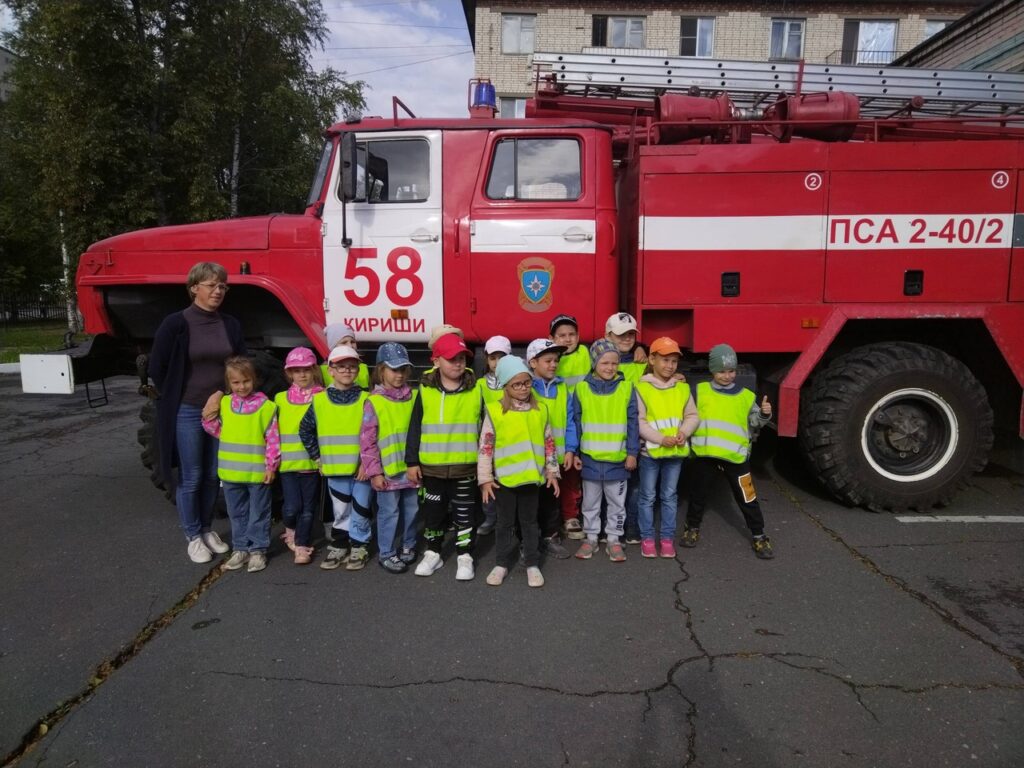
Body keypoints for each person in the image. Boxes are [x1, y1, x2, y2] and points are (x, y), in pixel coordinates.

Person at [149, 262, 246, 563]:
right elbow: (158, 368)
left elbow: (241, 365)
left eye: (222, 286)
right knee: (191, 476)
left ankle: (206, 529)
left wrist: (220, 395)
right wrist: (179, 398)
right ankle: (192, 536)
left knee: (213, 474)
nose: (218, 291)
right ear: (194, 288)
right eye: (211, 285)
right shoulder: (176, 324)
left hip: (221, 409)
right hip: (187, 410)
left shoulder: (230, 324)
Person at [682, 343, 775, 559]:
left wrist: (764, 414)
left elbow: (755, 422)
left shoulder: (746, 396)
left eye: (731, 371)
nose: (727, 376)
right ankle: (692, 527)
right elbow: (688, 416)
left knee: (747, 497)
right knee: (698, 494)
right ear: (712, 370)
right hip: (705, 455)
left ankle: (759, 535)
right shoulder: (699, 391)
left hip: (736, 457)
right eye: (722, 371)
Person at [478, 356, 560, 588]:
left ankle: (532, 563)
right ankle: (501, 563)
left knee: (530, 523)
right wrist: (485, 479)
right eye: (517, 384)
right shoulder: (495, 411)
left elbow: (549, 444)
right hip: (504, 481)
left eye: (527, 382)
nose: (523, 388)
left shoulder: (540, 409)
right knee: (504, 524)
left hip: (531, 479)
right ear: (505, 385)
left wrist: (552, 472)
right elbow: (486, 447)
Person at [406, 333, 481, 580]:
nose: (458, 363)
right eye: (451, 359)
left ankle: (465, 556)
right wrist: (412, 461)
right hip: (432, 468)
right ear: (436, 361)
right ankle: (433, 553)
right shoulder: (425, 390)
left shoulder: (477, 389)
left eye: (462, 358)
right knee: (433, 515)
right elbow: (415, 427)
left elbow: (486, 430)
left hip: (465, 468)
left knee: (465, 515)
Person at [201, 356, 279, 573]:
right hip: (231, 473)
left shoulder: (266, 407)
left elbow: (273, 440)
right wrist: (208, 417)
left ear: (254, 380)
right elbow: (217, 430)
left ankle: (258, 550)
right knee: (237, 514)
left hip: (257, 473)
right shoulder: (225, 404)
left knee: (259, 513)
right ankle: (241, 548)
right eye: (236, 382)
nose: (242, 386)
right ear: (229, 383)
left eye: (246, 381)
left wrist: (271, 467)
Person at [299, 345, 373, 571]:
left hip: (361, 469)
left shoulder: (367, 399)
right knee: (340, 510)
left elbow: (374, 433)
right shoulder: (319, 401)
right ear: (330, 370)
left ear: (358, 370)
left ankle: (359, 546)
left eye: (352, 366)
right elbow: (305, 429)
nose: (347, 370)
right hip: (334, 469)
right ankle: (340, 544)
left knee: (361, 508)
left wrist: (367, 462)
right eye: (341, 367)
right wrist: (317, 458)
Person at [573, 339, 639, 562]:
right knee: (589, 503)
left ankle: (613, 539)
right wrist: (576, 453)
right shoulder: (581, 389)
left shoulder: (627, 388)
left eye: (614, 363)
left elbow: (633, 423)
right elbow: (577, 422)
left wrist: (632, 453)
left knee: (617, 505)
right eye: (604, 363)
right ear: (594, 363)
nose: (610, 367)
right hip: (590, 459)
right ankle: (591, 537)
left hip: (618, 460)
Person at [635, 337, 699, 559]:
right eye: (665, 360)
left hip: (674, 453)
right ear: (652, 359)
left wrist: (684, 432)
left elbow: (692, 415)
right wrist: (661, 439)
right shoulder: (641, 388)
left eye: (674, 361)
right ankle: (647, 538)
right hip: (650, 453)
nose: (670, 365)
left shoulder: (682, 388)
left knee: (669, 496)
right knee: (647, 496)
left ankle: (667, 539)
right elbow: (640, 422)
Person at [360, 343, 420, 574]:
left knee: (412, 510)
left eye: (403, 369)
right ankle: (386, 552)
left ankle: (408, 544)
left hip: (411, 468)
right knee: (389, 513)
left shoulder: (414, 397)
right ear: (381, 370)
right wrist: (374, 472)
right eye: (394, 369)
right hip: (387, 472)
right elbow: (367, 441)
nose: (400, 374)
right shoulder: (374, 401)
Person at [274, 347, 325, 564]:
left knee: (308, 509)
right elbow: (272, 432)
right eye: (296, 371)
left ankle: (302, 546)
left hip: (312, 464)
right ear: (289, 373)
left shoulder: (323, 396)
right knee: (291, 508)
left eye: (306, 370)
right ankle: (290, 529)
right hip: (287, 465)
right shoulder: (280, 399)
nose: (302, 375)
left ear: (314, 370)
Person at [527, 338, 576, 560]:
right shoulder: (525, 387)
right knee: (530, 501)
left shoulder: (562, 388)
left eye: (556, 360)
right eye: (548, 360)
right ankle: (529, 539)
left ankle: (550, 536)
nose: (554, 364)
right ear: (533, 363)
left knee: (551, 498)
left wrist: (570, 449)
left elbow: (570, 421)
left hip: (555, 458)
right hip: (531, 456)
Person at [604, 312, 647, 543]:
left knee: (634, 485)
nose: (627, 338)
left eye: (631, 334)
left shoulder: (642, 364)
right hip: (609, 435)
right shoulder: (601, 364)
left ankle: (631, 529)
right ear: (607, 336)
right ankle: (607, 529)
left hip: (635, 434)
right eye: (620, 334)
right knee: (608, 486)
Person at [550, 315, 587, 540]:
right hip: (561, 422)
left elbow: (614, 354)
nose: (567, 339)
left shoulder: (587, 354)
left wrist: (639, 347)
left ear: (579, 336)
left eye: (572, 334)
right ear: (552, 338)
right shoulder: (549, 358)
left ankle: (571, 515)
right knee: (555, 472)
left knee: (573, 473)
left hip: (584, 421)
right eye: (561, 335)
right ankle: (552, 518)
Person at [475, 335, 511, 536]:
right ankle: (490, 517)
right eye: (493, 358)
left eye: (502, 357)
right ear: (486, 359)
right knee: (487, 478)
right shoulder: (480, 384)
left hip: (509, 440)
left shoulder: (513, 382)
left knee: (506, 480)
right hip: (488, 441)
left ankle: (507, 519)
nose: (497, 363)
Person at [322, 323, 370, 389]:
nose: (350, 346)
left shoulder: (363, 367)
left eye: (352, 342)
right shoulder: (322, 371)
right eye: (344, 342)